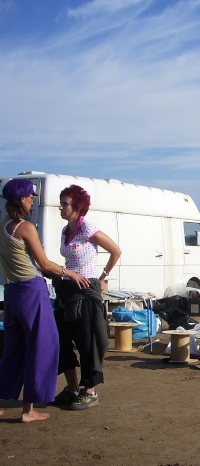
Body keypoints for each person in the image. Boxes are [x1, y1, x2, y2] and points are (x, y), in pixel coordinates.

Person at [0, 178, 89, 422]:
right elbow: (44, 264)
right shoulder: (25, 227)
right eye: (30, 196)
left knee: (13, 350)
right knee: (43, 348)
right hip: (31, 292)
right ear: (21, 199)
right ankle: (28, 410)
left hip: (12, 293)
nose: (32, 200)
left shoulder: (2, 225)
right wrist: (71, 273)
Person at [53, 184, 121, 411]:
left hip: (87, 288)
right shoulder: (65, 231)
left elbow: (116, 251)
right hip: (67, 288)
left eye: (65, 203)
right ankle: (72, 387)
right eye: (61, 202)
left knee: (88, 340)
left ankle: (89, 389)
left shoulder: (87, 228)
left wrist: (103, 277)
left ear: (77, 206)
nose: (61, 207)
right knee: (62, 338)